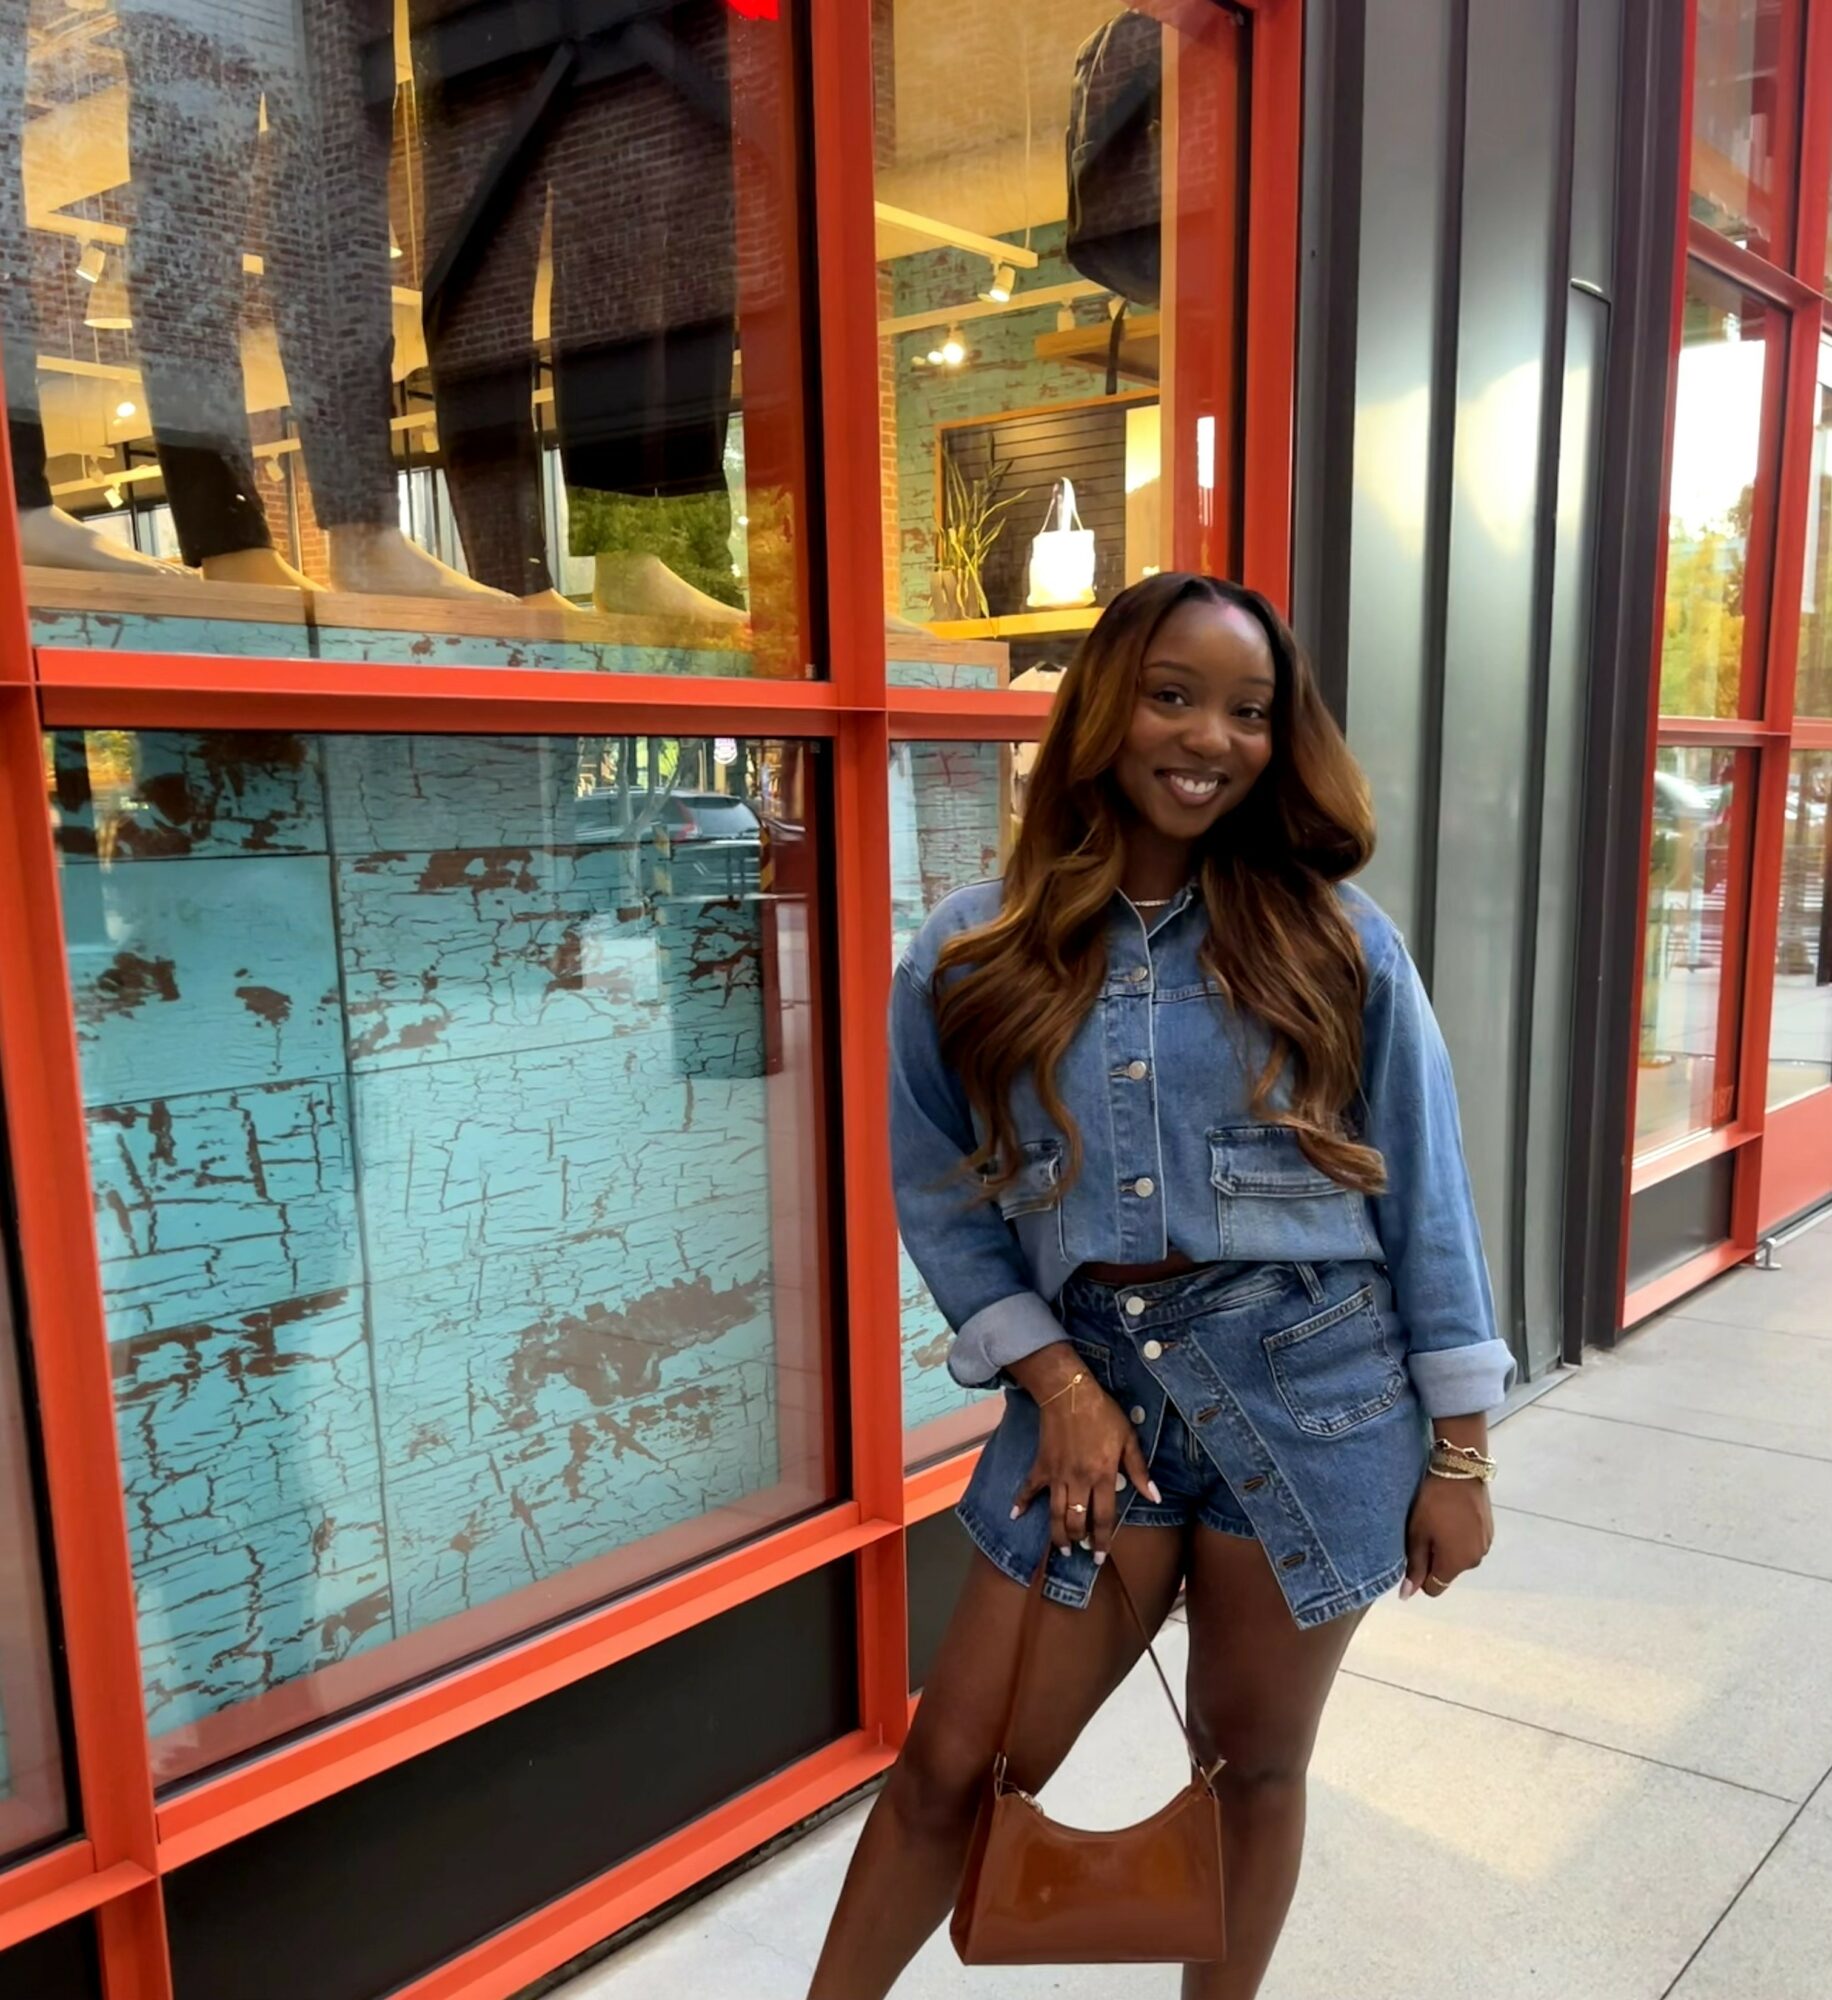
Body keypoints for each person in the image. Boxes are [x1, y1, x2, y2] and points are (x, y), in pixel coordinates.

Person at [809, 573, 1512, 1997]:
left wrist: (1460, 1448)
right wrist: (1054, 1384)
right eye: (1173, 695)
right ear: (1105, 709)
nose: (1210, 738)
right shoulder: (969, 949)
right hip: (1094, 1403)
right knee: (958, 1765)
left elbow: (1428, 1194)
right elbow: (942, 1197)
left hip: (1314, 1393)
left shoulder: (1335, 939)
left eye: (1250, 712)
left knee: (1250, 1771)